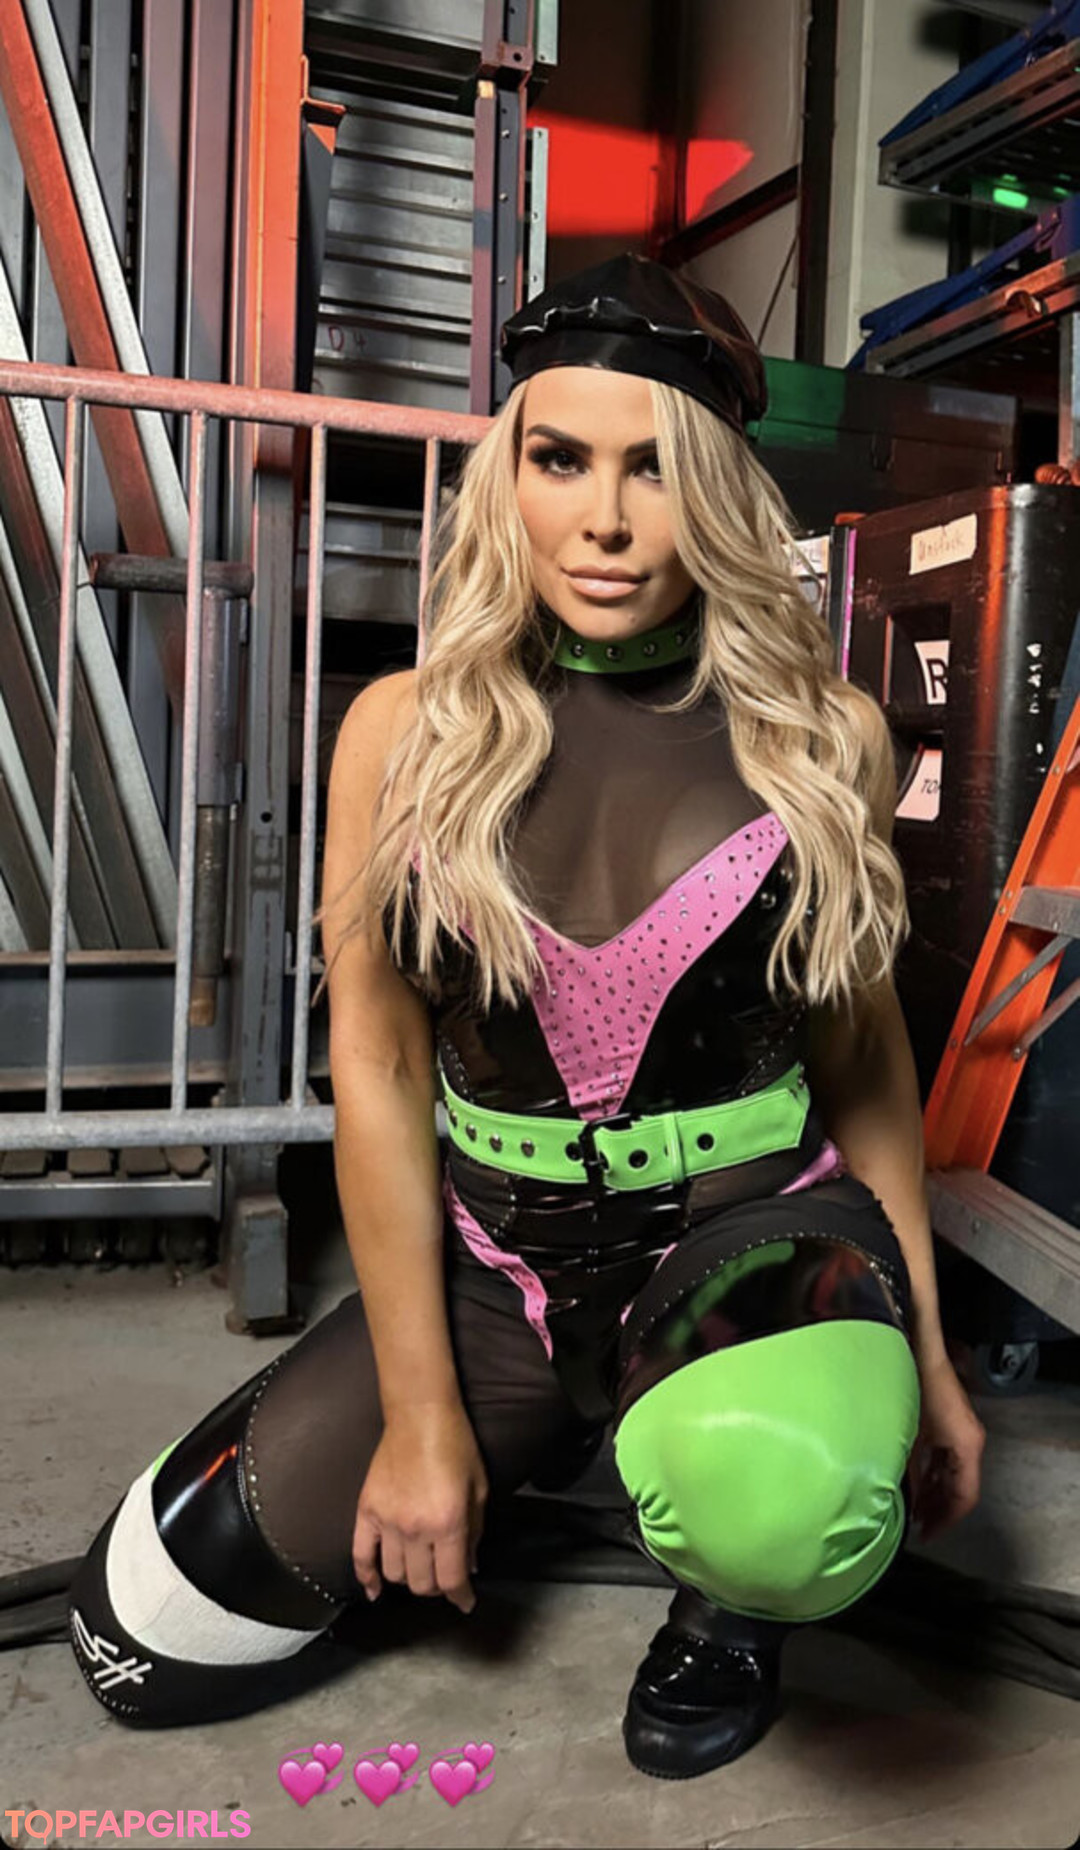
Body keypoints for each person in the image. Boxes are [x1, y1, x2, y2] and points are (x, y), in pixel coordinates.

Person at [65, 253, 985, 1778]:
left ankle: (725, 1577)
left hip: (744, 1239)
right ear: (510, 475)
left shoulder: (826, 737)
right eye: (561, 458)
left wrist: (933, 1360)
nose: (604, 518)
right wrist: (425, 1416)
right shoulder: (404, 731)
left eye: (654, 467)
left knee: (784, 1508)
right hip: (499, 1268)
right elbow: (376, 1069)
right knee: (145, 1637)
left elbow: (868, 1064)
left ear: (719, 491)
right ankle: (568, 1428)